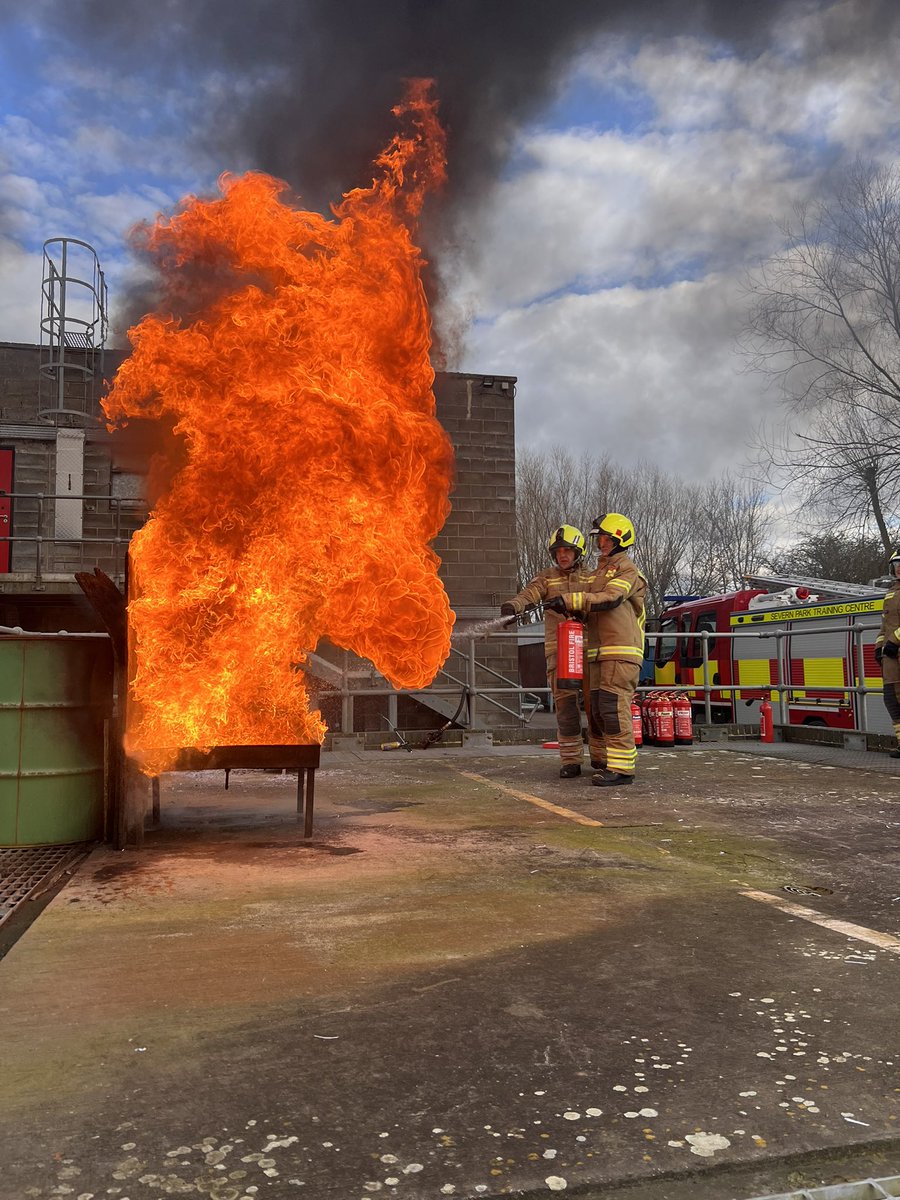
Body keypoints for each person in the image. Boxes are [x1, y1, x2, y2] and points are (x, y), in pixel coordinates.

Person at [558, 513, 646, 787]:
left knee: (613, 706)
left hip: (620, 652)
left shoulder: (627, 571)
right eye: (599, 539)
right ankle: (611, 761)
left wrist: (572, 599)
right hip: (598, 653)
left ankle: (622, 770)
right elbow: (595, 608)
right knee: (597, 710)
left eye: (605, 538)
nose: (601, 543)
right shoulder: (600, 572)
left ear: (620, 538)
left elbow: (610, 599)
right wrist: (573, 612)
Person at [500, 525, 594, 777]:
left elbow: (603, 602)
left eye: (568, 551)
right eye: (558, 551)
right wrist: (513, 606)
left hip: (590, 652)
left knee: (597, 707)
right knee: (566, 708)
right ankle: (571, 761)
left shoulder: (593, 578)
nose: (563, 555)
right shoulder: (547, 577)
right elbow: (530, 593)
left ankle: (601, 757)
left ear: (578, 553)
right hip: (560, 653)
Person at [875, 547, 900, 758]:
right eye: (897, 566)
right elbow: (885, 625)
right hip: (891, 657)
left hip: (896, 649)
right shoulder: (891, 593)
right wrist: (878, 647)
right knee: (891, 699)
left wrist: (894, 640)